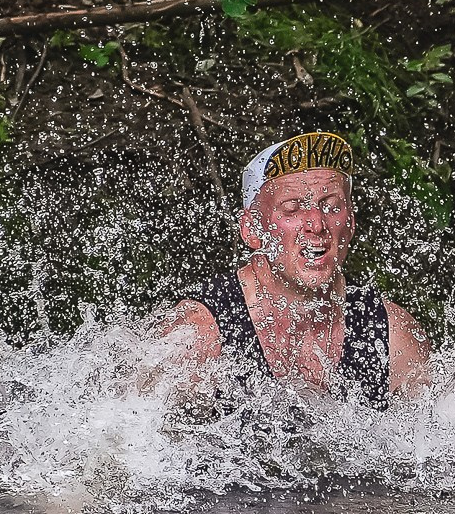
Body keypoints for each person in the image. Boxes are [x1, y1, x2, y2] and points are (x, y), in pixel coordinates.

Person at [159, 131, 431, 405]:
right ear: (251, 229)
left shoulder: (390, 333)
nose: (316, 224)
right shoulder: (199, 334)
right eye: (292, 209)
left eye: (332, 207)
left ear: (351, 223)